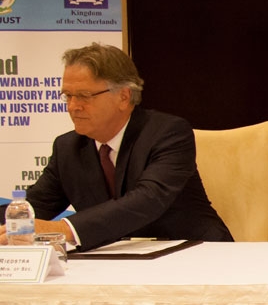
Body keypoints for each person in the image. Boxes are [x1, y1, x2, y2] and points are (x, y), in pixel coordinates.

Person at [0, 43, 233, 249]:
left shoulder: (168, 133)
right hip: (116, 261)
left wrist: (64, 229)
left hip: (194, 253)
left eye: (84, 96)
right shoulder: (67, 147)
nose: (72, 106)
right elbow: (34, 206)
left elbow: (147, 200)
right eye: (68, 96)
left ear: (123, 96)